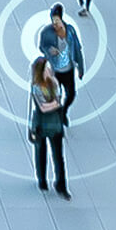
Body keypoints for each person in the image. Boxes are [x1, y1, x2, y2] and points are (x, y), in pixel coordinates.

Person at [29, 57, 71, 200]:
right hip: (42, 124)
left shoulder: (54, 82)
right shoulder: (36, 87)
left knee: (58, 156)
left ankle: (61, 184)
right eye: (47, 68)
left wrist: (54, 103)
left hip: (55, 124)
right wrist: (56, 104)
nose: (50, 70)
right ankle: (42, 180)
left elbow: (56, 101)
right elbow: (44, 107)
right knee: (41, 153)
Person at [38, 3, 84, 127]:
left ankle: (63, 111)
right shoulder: (47, 32)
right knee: (55, 96)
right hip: (56, 71)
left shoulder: (70, 30)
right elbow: (42, 46)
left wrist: (80, 67)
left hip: (68, 70)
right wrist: (50, 51)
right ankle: (58, 115)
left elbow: (77, 48)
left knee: (71, 94)